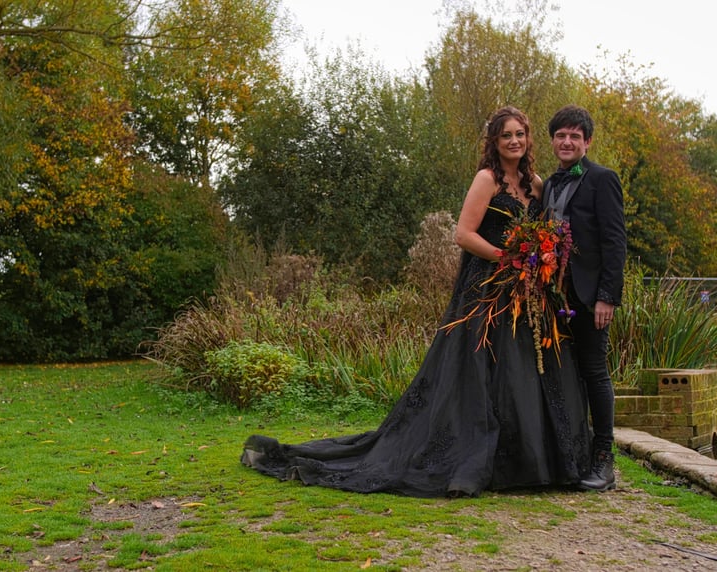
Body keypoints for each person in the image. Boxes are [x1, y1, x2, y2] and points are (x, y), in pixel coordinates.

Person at [241, 106, 591, 498]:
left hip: (524, 294)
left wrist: (540, 257)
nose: (514, 141)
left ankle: (527, 461)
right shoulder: (486, 179)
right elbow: (463, 234)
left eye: (520, 134)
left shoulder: (536, 184)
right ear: (494, 141)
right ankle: (478, 459)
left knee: (523, 371)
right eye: (506, 135)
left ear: (528, 139)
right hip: (485, 290)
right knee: (482, 373)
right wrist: (507, 257)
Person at [543, 105, 627, 492]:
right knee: (562, 372)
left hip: (590, 296)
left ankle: (604, 460)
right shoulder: (548, 184)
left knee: (594, 371)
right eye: (561, 135)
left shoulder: (602, 179)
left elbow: (615, 242)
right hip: (552, 295)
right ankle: (571, 456)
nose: (567, 142)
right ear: (553, 140)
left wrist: (607, 297)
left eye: (575, 136)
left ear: (587, 142)